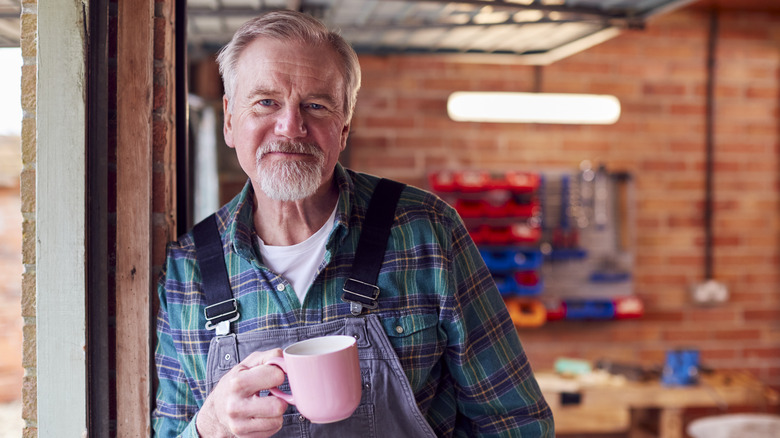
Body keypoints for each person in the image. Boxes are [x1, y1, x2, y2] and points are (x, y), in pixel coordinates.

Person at [152, 9, 554, 438]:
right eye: (266, 101)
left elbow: (516, 423)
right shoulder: (188, 270)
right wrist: (209, 425)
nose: (291, 126)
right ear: (230, 119)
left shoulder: (427, 232)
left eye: (316, 105)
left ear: (344, 127)